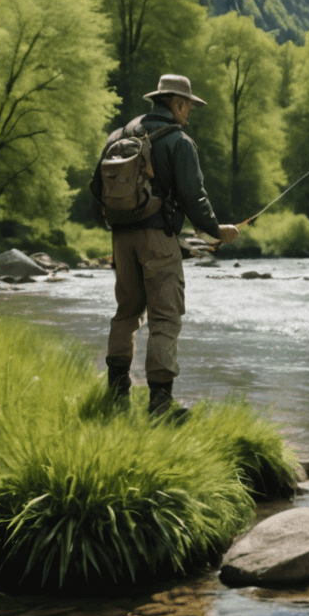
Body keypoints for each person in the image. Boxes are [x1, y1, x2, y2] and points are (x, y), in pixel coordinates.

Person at [92, 74, 241, 419]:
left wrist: (119, 225)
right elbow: (193, 196)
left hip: (121, 239)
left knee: (126, 313)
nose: (189, 112)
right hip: (158, 240)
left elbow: (94, 188)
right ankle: (160, 404)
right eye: (188, 105)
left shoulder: (118, 136)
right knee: (164, 318)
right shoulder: (178, 141)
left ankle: (117, 395)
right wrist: (216, 231)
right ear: (174, 102)